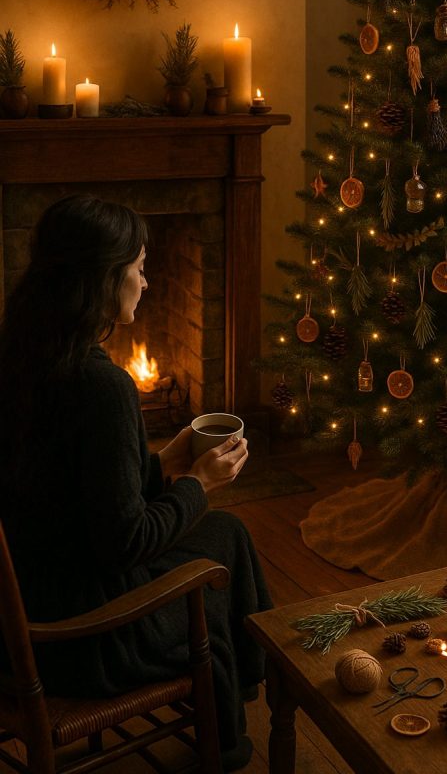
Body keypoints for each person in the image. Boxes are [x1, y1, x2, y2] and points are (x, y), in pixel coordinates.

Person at [0, 194, 271, 772]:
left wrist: (164, 463)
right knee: (222, 542)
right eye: (140, 268)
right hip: (74, 635)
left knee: (224, 532)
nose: (147, 283)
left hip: (15, 601)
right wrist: (199, 480)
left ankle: (235, 709)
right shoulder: (101, 386)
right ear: (105, 278)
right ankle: (233, 724)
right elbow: (122, 544)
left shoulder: (21, 356)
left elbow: (72, 492)